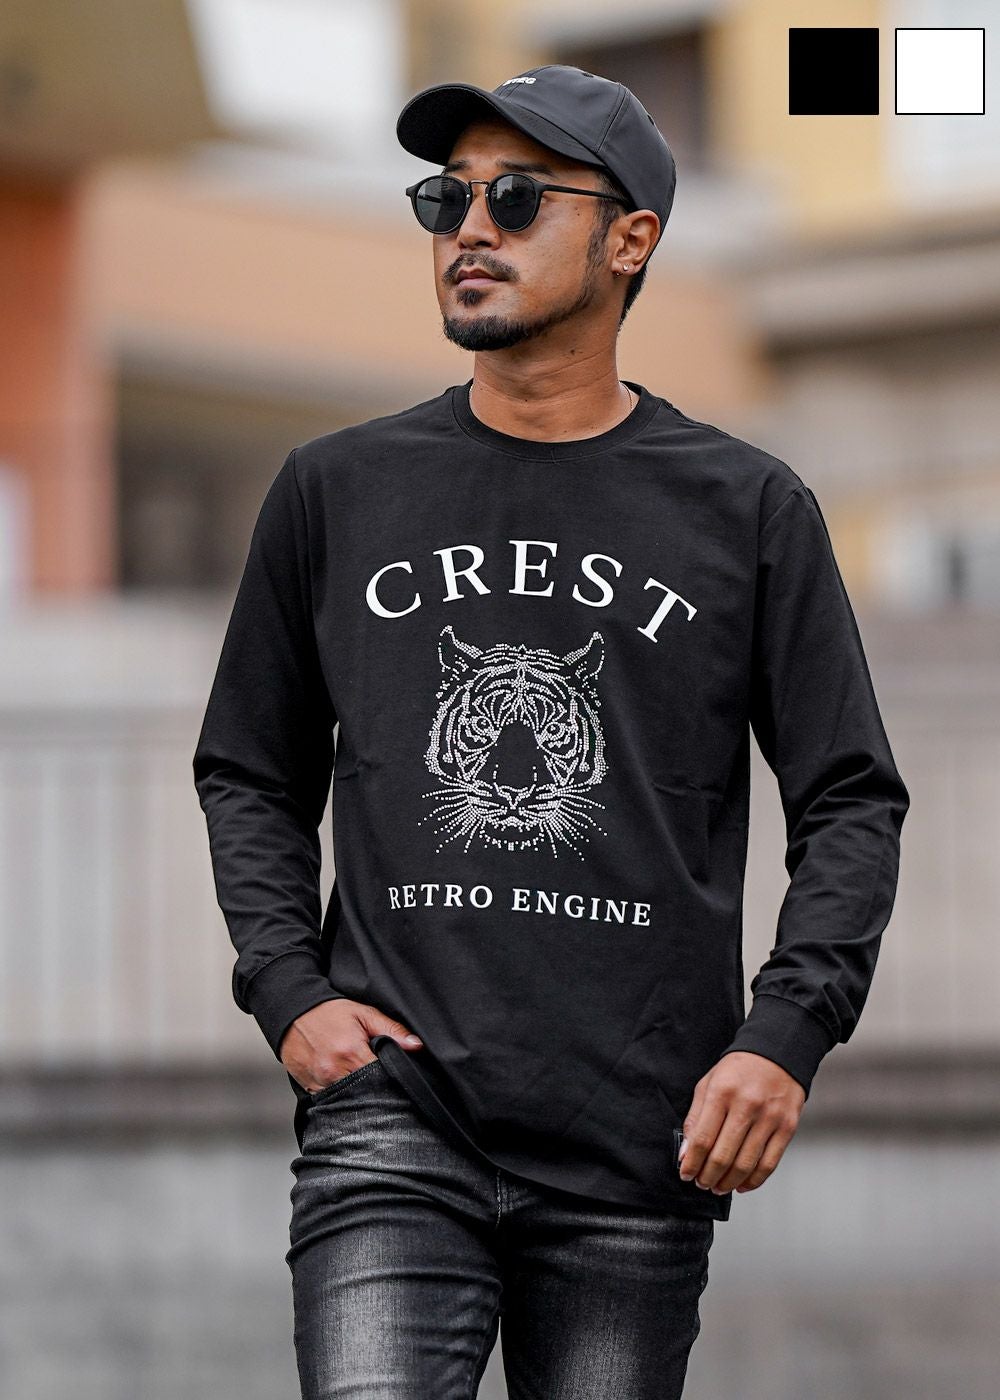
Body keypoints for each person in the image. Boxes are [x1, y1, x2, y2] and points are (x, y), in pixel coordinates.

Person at [192, 64, 910, 1400]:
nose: (470, 228)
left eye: (517, 198)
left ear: (630, 238)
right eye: (446, 198)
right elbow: (248, 767)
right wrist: (289, 993)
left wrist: (785, 1033)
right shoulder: (336, 491)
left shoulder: (748, 510)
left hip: (635, 1139)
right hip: (391, 1121)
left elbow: (851, 798)